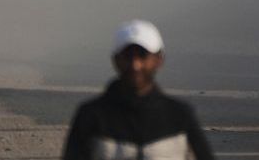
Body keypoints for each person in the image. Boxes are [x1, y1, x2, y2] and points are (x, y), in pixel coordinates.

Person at [62, 20, 215, 160]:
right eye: (128, 56)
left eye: (142, 56)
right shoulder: (91, 116)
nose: (135, 65)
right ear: (116, 60)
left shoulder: (179, 116)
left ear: (158, 59)